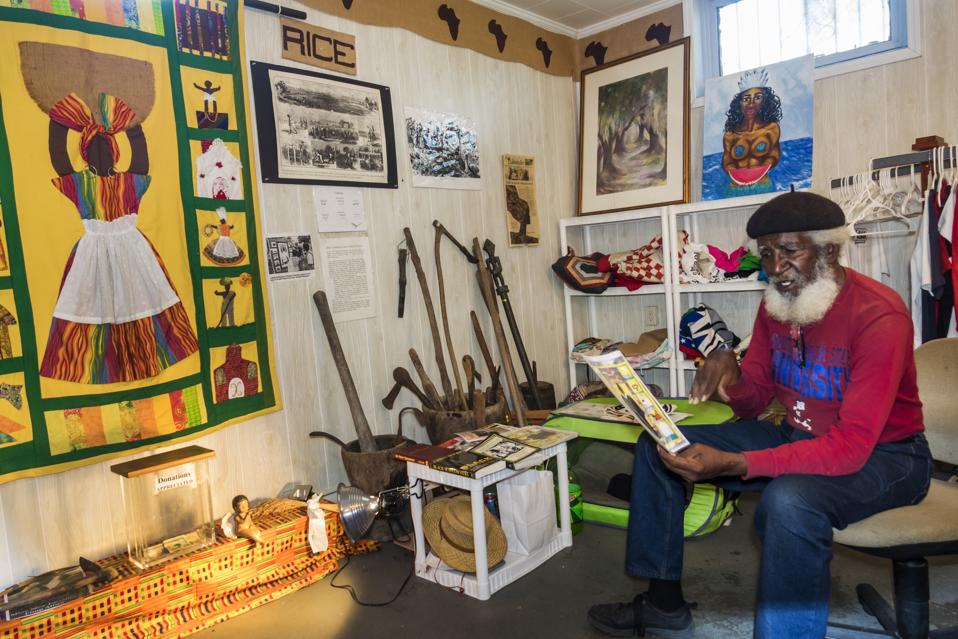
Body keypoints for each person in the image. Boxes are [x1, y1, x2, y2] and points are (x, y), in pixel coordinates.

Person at [588, 191, 931, 639]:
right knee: (661, 447)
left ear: (829, 249)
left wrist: (737, 464)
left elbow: (849, 449)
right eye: (766, 254)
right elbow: (755, 403)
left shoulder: (878, 315)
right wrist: (731, 377)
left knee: (789, 502)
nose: (774, 268)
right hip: (797, 436)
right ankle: (663, 607)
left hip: (889, 458)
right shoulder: (778, 306)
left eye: (789, 251)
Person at [721, 67, 782, 187]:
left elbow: (774, 155)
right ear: (739, 103)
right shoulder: (730, 135)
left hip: (762, 185)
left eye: (757, 97)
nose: (751, 103)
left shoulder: (772, 129)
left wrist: (760, 172)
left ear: (765, 101)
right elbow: (727, 162)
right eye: (746, 99)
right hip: (735, 187)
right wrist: (737, 176)